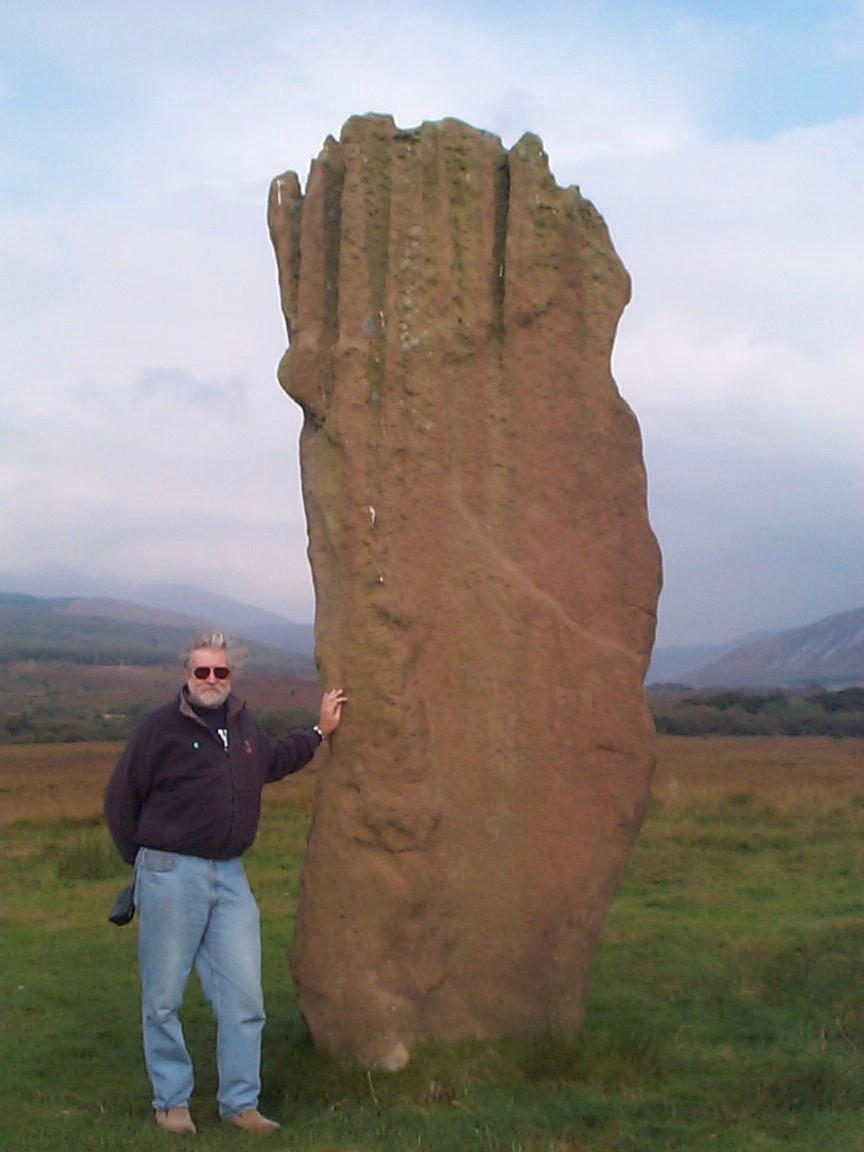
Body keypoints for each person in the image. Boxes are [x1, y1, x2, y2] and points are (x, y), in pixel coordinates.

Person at [104, 631, 345, 1136]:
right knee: (164, 996)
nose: (211, 680)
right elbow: (120, 800)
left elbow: (273, 761)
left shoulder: (242, 725)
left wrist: (319, 733)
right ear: (186, 676)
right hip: (172, 872)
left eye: (221, 672)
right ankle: (171, 1102)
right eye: (202, 671)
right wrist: (148, 864)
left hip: (230, 876)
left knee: (244, 999)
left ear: (230, 677)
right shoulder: (159, 728)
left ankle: (241, 1104)